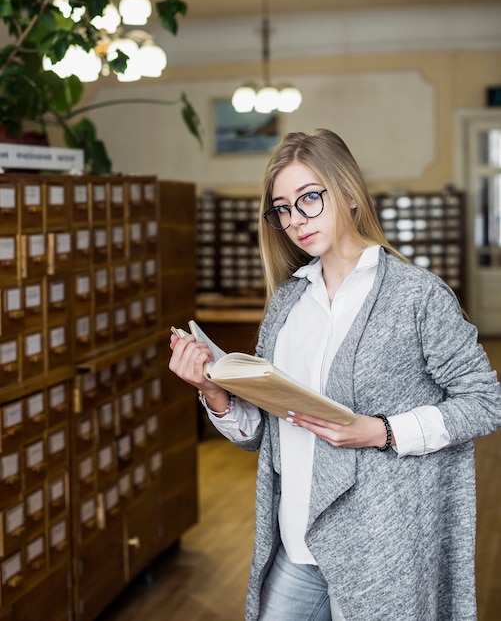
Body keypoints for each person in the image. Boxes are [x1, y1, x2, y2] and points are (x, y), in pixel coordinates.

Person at [169, 129, 501, 621]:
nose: (296, 220)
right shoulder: (286, 303)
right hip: (296, 539)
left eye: (309, 199)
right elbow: (263, 432)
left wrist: (380, 431)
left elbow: (484, 402)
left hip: (381, 544)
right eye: (282, 208)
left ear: (348, 194)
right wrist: (213, 391)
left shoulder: (417, 295)